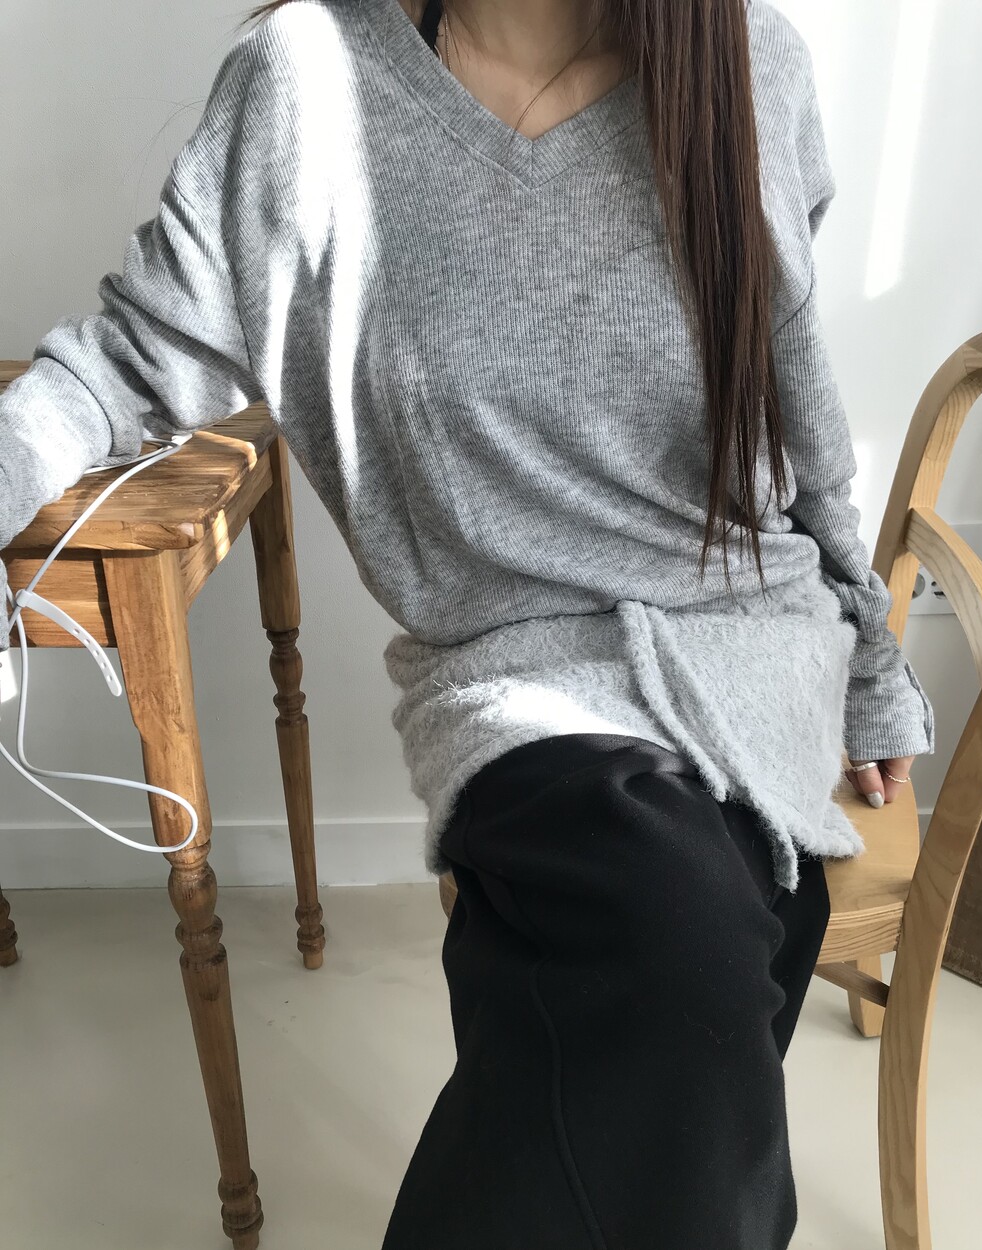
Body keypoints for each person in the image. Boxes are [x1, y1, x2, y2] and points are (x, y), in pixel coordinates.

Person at [0, 1, 935, 1246]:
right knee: (680, 953)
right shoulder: (308, 85)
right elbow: (124, 360)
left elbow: (795, 417)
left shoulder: (745, 61)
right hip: (510, 667)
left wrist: (867, 663)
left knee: (691, 975)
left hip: (751, 635)